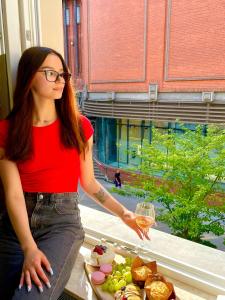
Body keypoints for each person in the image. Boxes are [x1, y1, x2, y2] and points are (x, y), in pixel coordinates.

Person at [0, 46, 150, 300]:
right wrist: (28, 246)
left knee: (30, 296)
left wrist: (124, 213)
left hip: (61, 224)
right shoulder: (6, 130)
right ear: (28, 76)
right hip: (15, 225)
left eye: (63, 75)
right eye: (50, 73)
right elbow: (13, 194)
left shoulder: (79, 127)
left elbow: (89, 183)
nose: (60, 80)